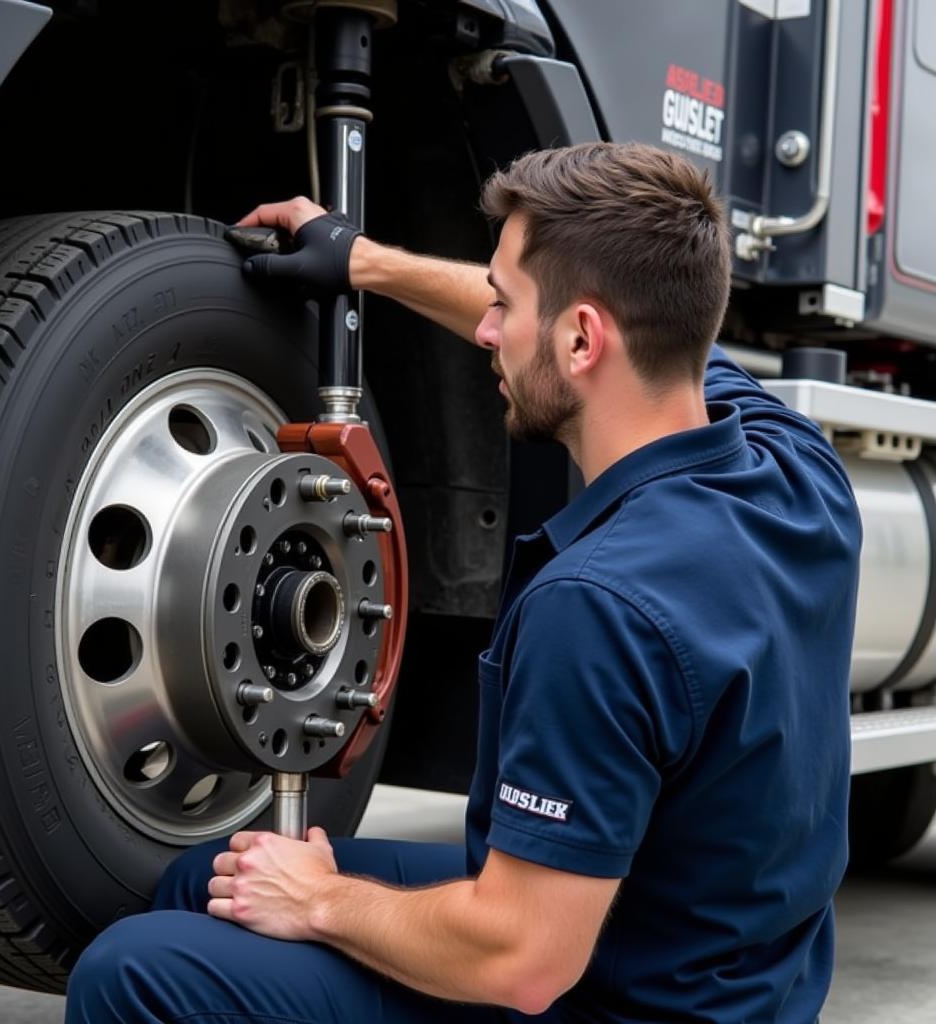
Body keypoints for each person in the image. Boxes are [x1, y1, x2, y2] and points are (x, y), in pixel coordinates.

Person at [65, 142, 861, 1023]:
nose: (484, 329)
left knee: (131, 974)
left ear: (583, 338)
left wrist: (321, 902)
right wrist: (364, 264)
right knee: (206, 881)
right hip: (701, 949)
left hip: (618, 994)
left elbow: (523, 961)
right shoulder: (795, 466)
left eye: (504, 306)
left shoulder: (599, 609)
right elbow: (605, 326)